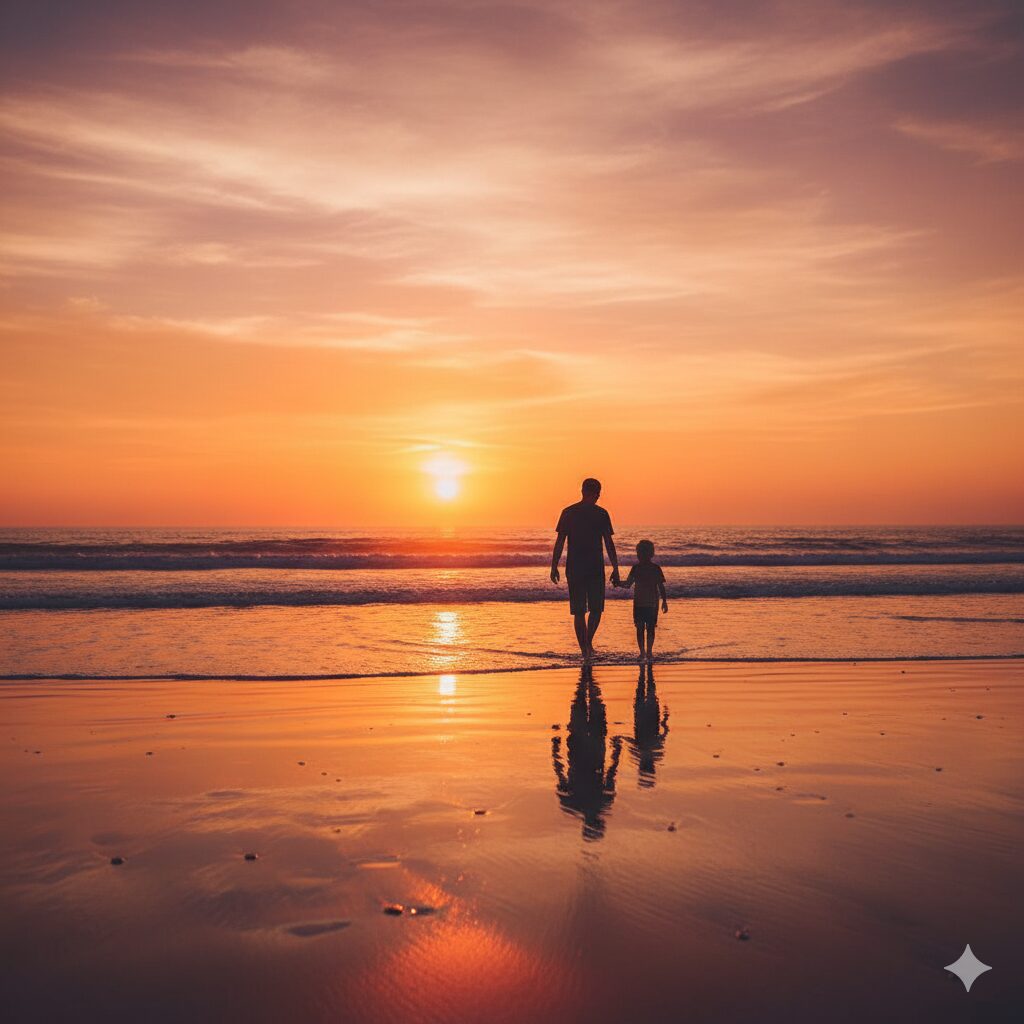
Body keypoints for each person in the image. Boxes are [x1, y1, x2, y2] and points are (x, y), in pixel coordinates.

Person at [550, 478, 620, 662]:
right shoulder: (601, 514)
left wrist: (554, 566)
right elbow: (609, 543)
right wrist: (615, 567)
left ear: (582, 491)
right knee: (596, 609)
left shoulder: (568, 512)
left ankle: (585, 649)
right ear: (597, 493)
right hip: (594, 566)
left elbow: (560, 542)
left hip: (575, 567)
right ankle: (588, 644)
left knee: (579, 610)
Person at [617, 539, 668, 662]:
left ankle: (648, 652)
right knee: (640, 628)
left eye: (641, 553)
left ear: (649, 554)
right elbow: (628, 584)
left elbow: (661, 586)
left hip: (651, 603)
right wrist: (618, 583)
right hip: (641, 603)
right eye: (638, 553)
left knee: (649, 628)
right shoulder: (637, 568)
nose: (639, 556)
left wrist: (664, 601)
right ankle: (643, 652)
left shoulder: (655, 569)